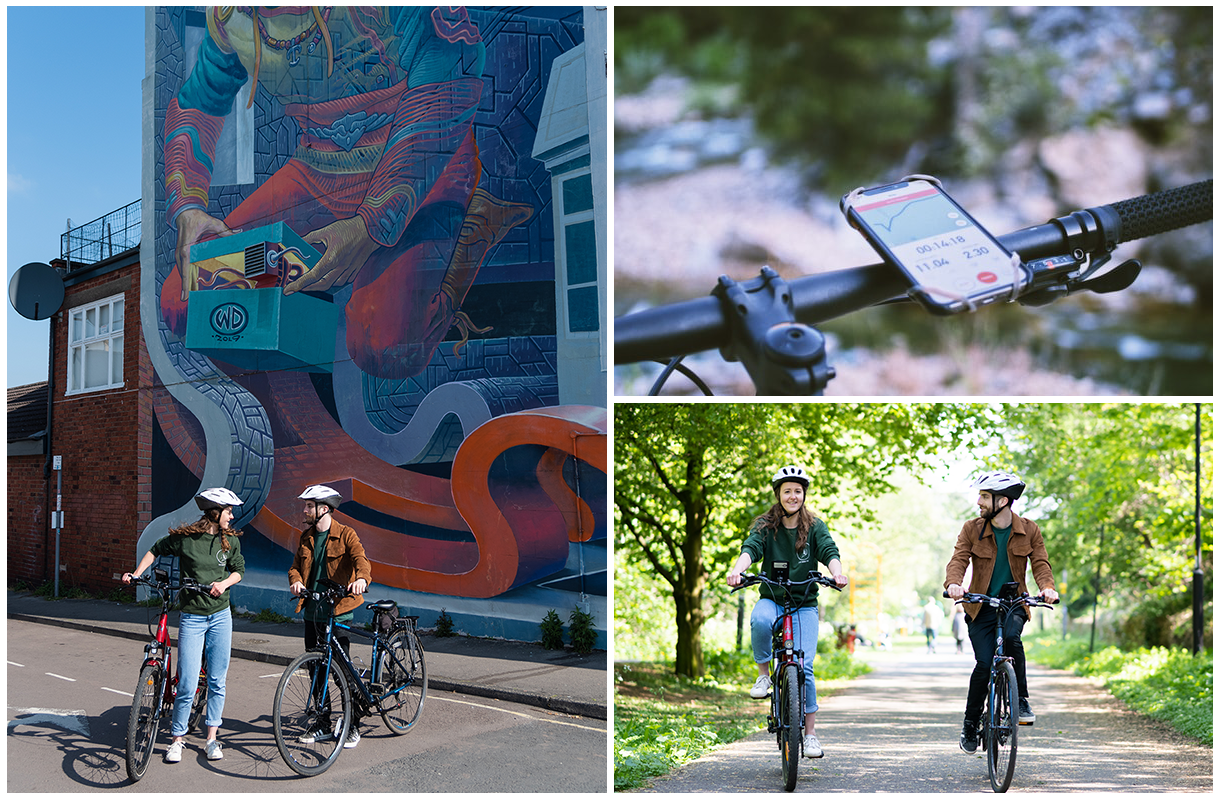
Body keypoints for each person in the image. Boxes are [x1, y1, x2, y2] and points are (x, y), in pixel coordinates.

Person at [727, 466, 849, 760]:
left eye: (797, 491)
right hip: (773, 598)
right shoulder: (765, 525)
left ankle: (810, 736)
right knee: (759, 619)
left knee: (804, 667)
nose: (792, 496)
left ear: (803, 494)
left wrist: (838, 573)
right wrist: (737, 569)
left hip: (804, 603)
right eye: (787, 491)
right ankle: (763, 676)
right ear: (778, 495)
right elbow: (751, 549)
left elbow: (830, 552)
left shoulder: (815, 527)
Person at [124, 487, 246, 763]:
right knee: (188, 682)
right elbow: (155, 550)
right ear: (215, 513)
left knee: (216, 680)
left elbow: (239, 570)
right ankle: (177, 739)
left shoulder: (231, 542)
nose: (231, 516)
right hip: (192, 617)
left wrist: (224, 583)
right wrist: (136, 574)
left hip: (220, 616)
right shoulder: (187, 539)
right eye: (228, 511)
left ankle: (212, 739)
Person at [945, 471, 1059, 755]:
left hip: (1013, 604)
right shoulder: (972, 528)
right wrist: (954, 584)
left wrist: (1047, 588)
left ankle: (1021, 700)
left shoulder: (1029, 530)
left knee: (1012, 640)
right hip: (980, 605)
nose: (979, 502)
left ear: (1003, 501)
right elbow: (958, 559)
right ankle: (970, 723)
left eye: (985, 497)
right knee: (984, 664)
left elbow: (1041, 564)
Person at [287, 484, 373, 749]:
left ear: (323, 509)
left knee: (341, 672)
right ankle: (322, 722)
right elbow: (294, 568)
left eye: (309, 506)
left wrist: (361, 578)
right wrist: (296, 581)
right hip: (312, 612)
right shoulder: (306, 537)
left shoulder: (346, 535)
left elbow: (362, 560)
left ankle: (353, 724)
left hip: (338, 613)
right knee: (315, 671)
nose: (304, 509)